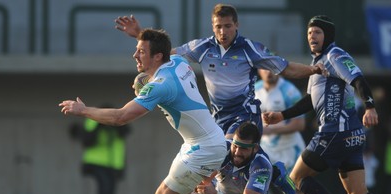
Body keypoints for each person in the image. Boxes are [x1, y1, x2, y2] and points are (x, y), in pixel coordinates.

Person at [59, 28, 252, 194]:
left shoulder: (161, 85)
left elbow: (121, 117)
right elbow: (166, 51)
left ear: (157, 56)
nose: (135, 55)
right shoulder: (178, 62)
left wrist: (83, 110)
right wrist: (140, 37)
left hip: (205, 147)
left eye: (141, 51)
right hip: (202, 142)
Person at [262, 15, 391, 194]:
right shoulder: (317, 64)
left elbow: (358, 79)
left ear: (327, 36)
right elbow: (309, 101)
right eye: (310, 33)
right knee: (357, 192)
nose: (312, 36)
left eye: (317, 32)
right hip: (350, 136)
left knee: (297, 178)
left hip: (335, 132)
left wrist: (370, 106)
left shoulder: (335, 55)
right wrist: (283, 114)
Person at [114, 3, 327, 140]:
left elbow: (287, 68)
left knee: (228, 150)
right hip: (218, 117)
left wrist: (312, 69)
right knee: (223, 174)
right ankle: (275, 176)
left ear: (236, 25)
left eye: (227, 26)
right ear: (212, 26)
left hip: (245, 114)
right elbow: (164, 54)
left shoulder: (250, 49)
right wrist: (139, 35)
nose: (222, 32)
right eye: (218, 27)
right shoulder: (203, 47)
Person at [255, 69, 330, 194]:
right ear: (260, 71)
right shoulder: (255, 89)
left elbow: (300, 123)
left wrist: (271, 128)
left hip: (290, 148)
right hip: (266, 147)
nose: (270, 72)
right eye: (265, 68)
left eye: (273, 68)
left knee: (297, 191)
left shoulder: (289, 91)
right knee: (255, 177)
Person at [69, 114, 132, 194]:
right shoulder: (92, 121)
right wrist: (99, 125)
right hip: (96, 162)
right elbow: (87, 140)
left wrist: (114, 124)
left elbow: (125, 132)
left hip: (113, 164)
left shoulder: (118, 121)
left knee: (110, 189)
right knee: (105, 187)